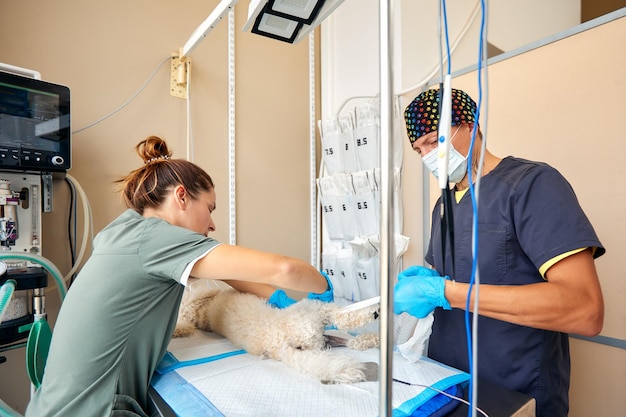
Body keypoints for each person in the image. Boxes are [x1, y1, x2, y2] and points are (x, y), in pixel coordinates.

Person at [25, 135, 332, 417]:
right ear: (182, 196)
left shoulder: (125, 232)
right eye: (209, 208)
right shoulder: (156, 239)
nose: (212, 224)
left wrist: (277, 300)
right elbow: (286, 269)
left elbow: (230, 274)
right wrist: (324, 292)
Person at [394, 88, 604, 417]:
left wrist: (444, 291)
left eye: (434, 141)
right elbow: (460, 272)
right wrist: (431, 283)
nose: (427, 157)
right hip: (447, 385)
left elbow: (585, 309)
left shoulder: (533, 185)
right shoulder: (443, 205)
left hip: (515, 391)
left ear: (471, 124)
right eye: (419, 149)